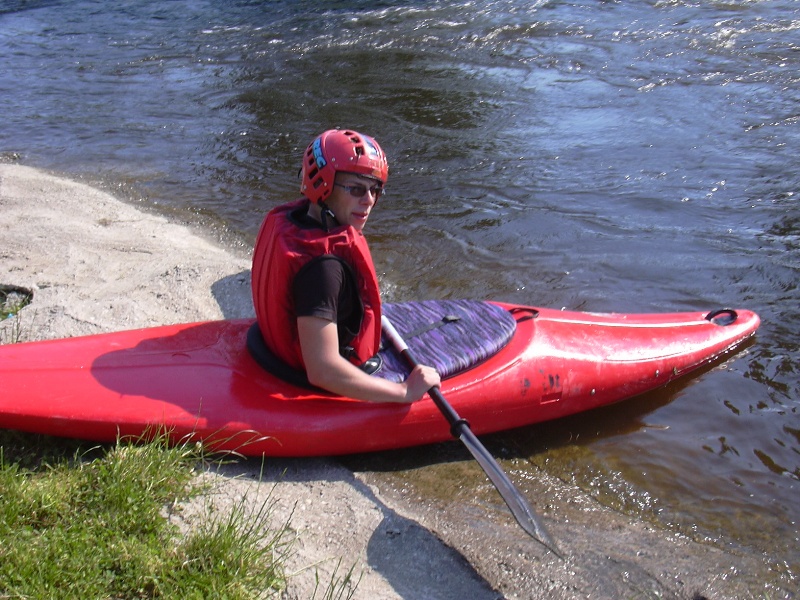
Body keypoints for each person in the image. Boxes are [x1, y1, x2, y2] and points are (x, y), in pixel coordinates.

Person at [251, 129, 440, 403]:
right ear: (322, 185)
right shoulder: (323, 268)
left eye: (375, 189)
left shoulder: (293, 221)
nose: (370, 200)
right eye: (356, 189)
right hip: (309, 377)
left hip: (272, 353)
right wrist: (404, 391)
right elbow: (323, 370)